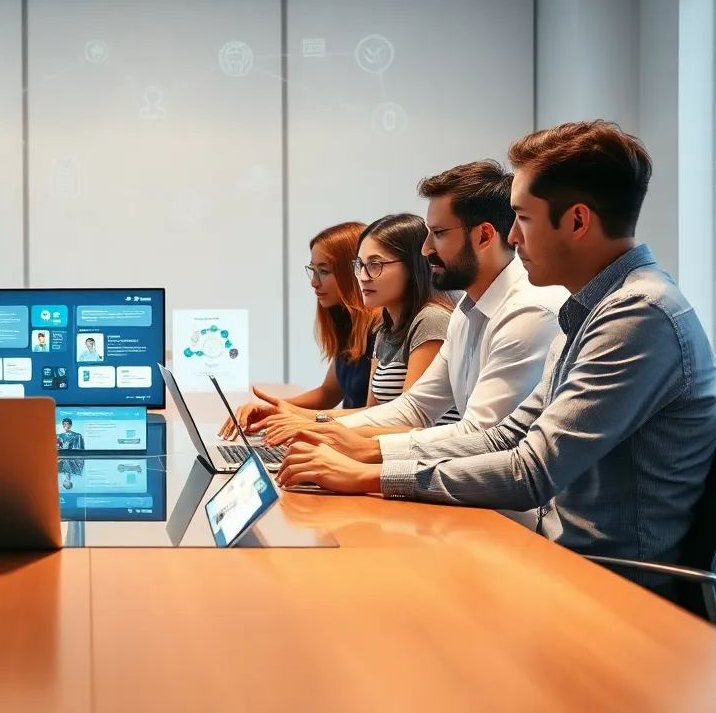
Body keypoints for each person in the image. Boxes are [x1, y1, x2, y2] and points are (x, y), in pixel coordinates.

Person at [277, 121, 716, 592]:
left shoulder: (637, 315)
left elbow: (531, 471)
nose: (514, 238)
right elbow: (507, 435)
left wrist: (373, 474)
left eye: (523, 219)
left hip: (607, 585)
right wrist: (366, 457)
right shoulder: (590, 308)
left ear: (578, 222)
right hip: (554, 555)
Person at [235, 162, 569, 464]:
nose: (426, 250)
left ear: (483, 235)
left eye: (438, 234)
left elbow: (482, 437)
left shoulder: (529, 311)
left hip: (507, 513)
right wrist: (316, 426)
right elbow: (415, 407)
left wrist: (355, 446)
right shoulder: (466, 312)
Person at [232, 213, 457, 443]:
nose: (363, 276)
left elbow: (410, 422)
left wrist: (308, 424)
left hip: (414, 464)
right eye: (360, 266)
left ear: (412, 265)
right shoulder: (385, 328)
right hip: (387, 455)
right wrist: (289, 415)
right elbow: (373, 414)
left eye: (375, 265)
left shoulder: (431, 321)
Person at [219, 222, 376, 444]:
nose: (314, 282)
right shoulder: (347, 323)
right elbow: (328, 392)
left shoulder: (381, 330)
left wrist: (296, 416)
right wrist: (275, 408)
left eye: (324, 271)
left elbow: (375, 415)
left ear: (353, 273)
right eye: (313, 271)